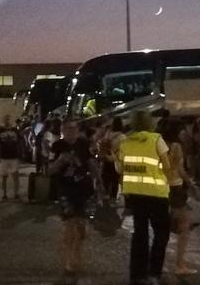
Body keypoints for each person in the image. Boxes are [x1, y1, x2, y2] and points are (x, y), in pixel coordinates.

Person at [120, 111, 171, 285]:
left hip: (135, 193)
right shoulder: (156, 139)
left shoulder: (125, 142)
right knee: (161, 233)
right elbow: (167, 165)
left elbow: (121, 169)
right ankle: (154, 272)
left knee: (140, 233)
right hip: (156, 193)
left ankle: (136, 273)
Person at [49, 118, 101, 285]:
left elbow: (92, 163)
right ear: (63, 131)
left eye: (74, 129)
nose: (71, 132)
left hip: (84, 190)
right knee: (69, 224)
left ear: (78, 130)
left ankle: (77, 254)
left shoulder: (84, 144)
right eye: (67, 129)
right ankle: (70, 260)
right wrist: (60, 161)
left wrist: (99, 183)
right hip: (65, 189)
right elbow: (49, 170)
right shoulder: (57, 146)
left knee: (81, 228)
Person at [161, 118, 199, 276]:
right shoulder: (176, 146)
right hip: (175, 188)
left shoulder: (158, 144)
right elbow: (180, 170)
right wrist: (191, 184)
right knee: (184, 226)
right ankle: (180, 264)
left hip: (160, 188)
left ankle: (159, 263)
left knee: (161, 228)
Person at [100, 117, 126, 202]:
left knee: (105, 180)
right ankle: (113, 198)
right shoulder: (122, 137)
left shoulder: (108, 134)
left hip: (106, 160)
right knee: (115, 181)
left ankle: (105, 197)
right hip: (115, 161)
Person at [0, 115, 20, 201]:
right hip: (4, 156)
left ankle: (16, 194)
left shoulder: (15, 130)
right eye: (5, 119)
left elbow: (19, 141)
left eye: (8, 119)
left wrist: (20, 153)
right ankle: (4, 195)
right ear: (3, 120)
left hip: (13, 156)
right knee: (4, 177)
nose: (7, 121)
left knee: (15, 176)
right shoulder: (0, 130)